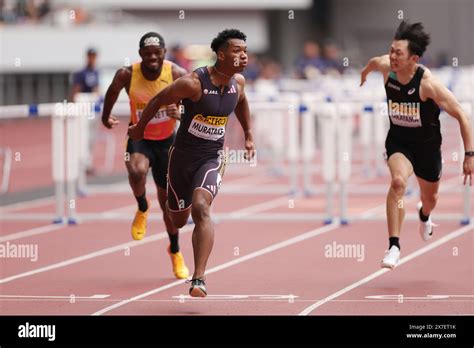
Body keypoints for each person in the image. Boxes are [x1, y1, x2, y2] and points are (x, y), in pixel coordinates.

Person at [128, 29, 255, 297]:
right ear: (221, 55)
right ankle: (170, 238)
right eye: (237, 51)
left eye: (245, 51)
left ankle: (199, 278)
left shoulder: (239, 83)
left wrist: (249, 136)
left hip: (212, 158)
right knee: (178, 217)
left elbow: (242, 103)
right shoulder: (193, 84)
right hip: (181, 159)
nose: (243, 55)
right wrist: (139, 129)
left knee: (201, 207)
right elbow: (158, 99)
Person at [360, 21, 474, 269]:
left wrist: (469, 155)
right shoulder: (386, 68)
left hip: (427, 149)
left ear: (414, 59)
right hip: (399, 143)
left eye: (398, 53)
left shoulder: (427, 85)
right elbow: (373, 62)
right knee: (398, 182)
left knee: (430, 198)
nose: (392, 56)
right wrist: (364, 73)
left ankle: (424, 215)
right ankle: (394, 246)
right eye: (391, 50)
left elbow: (462, 116)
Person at [101, 32, 190, 279]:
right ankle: (142, 207)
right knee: (137, 170)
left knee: (168, 207)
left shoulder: (176, 74)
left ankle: (175, 251)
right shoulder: (127, 74)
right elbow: (111, 91)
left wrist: (179, 113)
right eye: (147, 53)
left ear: (164, 53)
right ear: (141, 54)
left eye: (157, 53)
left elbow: (194, 106)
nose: (152, 57)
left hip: (166, 143)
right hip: (139, 138)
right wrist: (105, 116)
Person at [71, 47, 100, 175]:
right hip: (84, 107)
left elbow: (97, 88)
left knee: (92, 137)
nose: (92, 58)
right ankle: (82, 163)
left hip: (94, 107)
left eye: (94, 56)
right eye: (91, 56)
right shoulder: (80, 73)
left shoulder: (96, 72)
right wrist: (75, 106)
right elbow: (76, 91)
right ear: (87, 57)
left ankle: (88, 163)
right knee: (84, 136)